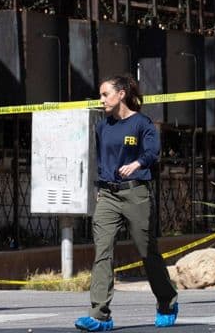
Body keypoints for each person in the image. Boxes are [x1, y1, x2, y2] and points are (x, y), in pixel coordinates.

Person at [74, 75, 179, 331]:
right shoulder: (103, 126)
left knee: (147, 251)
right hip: (108, 195)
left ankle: (167, 301)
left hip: (136, 193)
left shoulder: (142, 123)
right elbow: (101, 160)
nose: (101, 100)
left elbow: (152, 152)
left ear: (121, 94)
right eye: (100, 95)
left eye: (105, 94)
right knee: (103, 252)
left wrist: (137, 164)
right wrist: (100, 188)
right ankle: (100, 315)